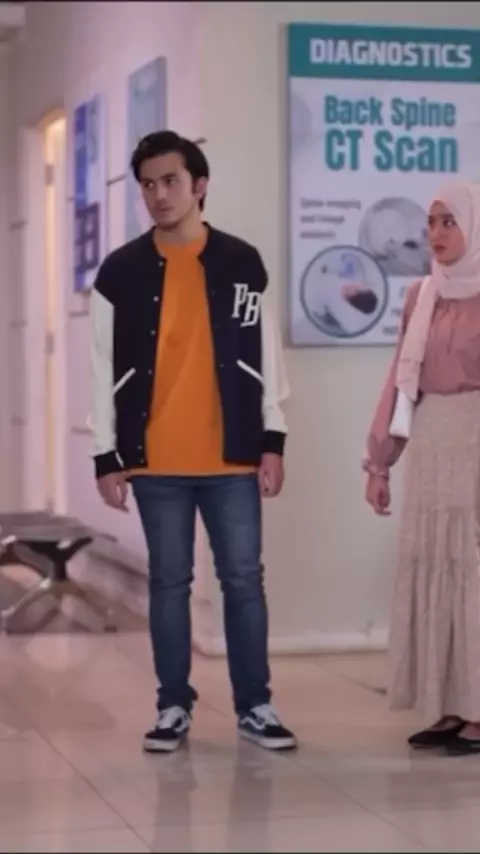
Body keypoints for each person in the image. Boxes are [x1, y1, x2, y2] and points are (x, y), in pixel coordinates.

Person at [89, 130, 297, 754]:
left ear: (199, 185)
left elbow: (266, 355)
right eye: (148, 185)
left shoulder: (241, 262)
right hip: (155, 459)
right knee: (169, 582)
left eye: (170, 181)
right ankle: (172, 706)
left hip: (232, 454)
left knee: (243, 579)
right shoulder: (120, 272)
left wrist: (273, 438)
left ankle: (255, 705)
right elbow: (101, 367)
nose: (159, 194)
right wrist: (106, 454)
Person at [364, 181, 480, 757]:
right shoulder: (421, 295)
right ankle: (450, 704)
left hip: (475, 440)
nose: (435, 233)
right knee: (437, 567)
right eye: (431, 222)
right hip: (433, 442)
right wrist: (380, 462)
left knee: (473, 572)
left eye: (448, 221)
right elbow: (401, 380)